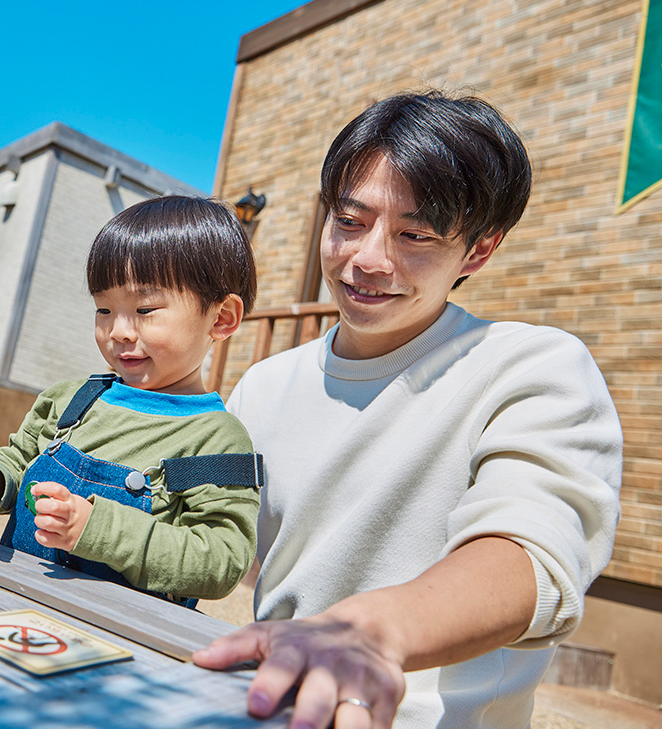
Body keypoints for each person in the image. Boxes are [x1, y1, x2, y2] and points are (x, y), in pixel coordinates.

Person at [192, 92, 622, 729]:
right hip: (268, 705)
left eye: (413, 235)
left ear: (478, 250)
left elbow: (531, 551)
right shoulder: (264, 385)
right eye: (348, 221)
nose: (367, 259)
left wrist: (372, 630)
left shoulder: (531, 367)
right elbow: (202, 541)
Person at [0, 196, 263, 604]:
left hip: (121, 638)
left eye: (145, 308)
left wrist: (101, 529)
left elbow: (222, 561)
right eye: (104, 309)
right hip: (12, 606)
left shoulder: (217, 438)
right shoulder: (71, 401)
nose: (119, 330)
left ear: (221, 317)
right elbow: (18, 461)